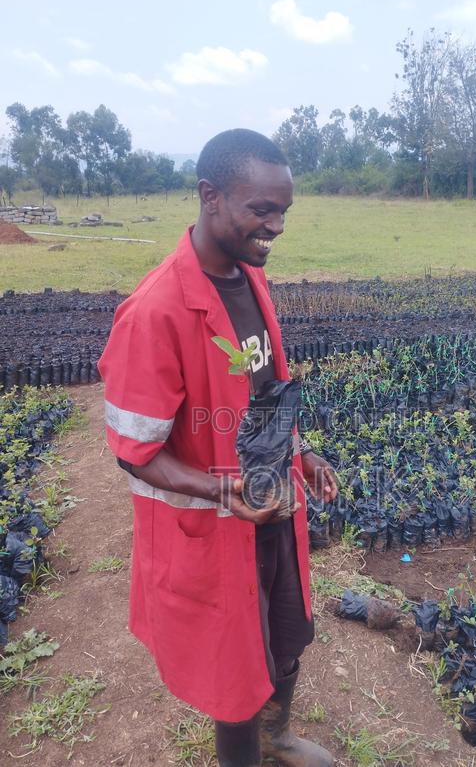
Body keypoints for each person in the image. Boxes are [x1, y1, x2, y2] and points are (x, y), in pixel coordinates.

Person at [98, 129, 338, 767]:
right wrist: (223, 491)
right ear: (210, 197)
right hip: (214, 522)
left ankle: (277, 736)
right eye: (262, 209)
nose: (276, 226)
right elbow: (134, 452)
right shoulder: (154, 312)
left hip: (272, 504)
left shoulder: (248, 276)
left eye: (283, 210)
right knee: (234, 669)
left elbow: (262, 392)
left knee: (286, 632)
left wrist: (301, 452)